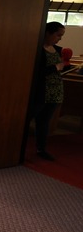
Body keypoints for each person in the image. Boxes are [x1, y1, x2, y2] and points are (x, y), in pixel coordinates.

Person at [32, 21, 66, 161]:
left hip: (55, 90)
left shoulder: (58, 49)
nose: (60, 38)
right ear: (48, 33)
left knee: (44, 122)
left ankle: (41, 149)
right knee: (29, 118)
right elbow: (36, 71)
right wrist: (55, 68)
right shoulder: (37, 49)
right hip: (41, 91)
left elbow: (58, 69)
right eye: (58, 35)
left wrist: (62, 68)